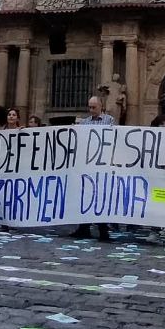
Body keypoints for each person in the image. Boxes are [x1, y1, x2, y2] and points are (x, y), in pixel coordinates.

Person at [73, 95, 116, 241]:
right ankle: (83, 228)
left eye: (94, 107)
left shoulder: (109, 120)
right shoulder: (84, 123)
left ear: (100, 106)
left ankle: (103, 230)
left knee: (101, 197)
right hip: (87, 164)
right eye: (89, 107)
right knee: (86, 196)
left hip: (102, 165)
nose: (91, 110)